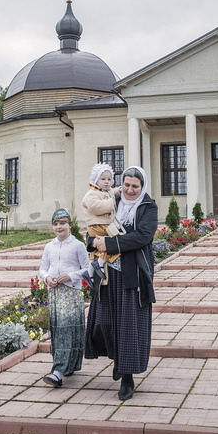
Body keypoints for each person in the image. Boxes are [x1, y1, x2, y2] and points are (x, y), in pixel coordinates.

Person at [85, 166, 157, 401]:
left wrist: (112, 245)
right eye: (126, 185)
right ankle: (117, 359)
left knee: (128, 326)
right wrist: (93, 241)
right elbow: (93, 225)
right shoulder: (112, 201)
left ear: (142, 186)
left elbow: (143, 236)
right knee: (105, 321)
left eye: (135, 186)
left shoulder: (148, 207)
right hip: (107, 273)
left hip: (131, 275)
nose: (130, 190)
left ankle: (127, 377)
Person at [38, 207, 90, 388]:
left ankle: (58, 371)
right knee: (58, 329)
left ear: (70, 224)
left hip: (71, 292)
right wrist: (47, 278)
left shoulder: (78, 245)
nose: (59, 227)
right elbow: (42, 268)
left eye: (62, 223)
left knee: (69, 329)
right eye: (55, 224)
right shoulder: (49, 246)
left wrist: (71, 276)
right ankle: (65, 367)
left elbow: (87, 268)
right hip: (54, 293)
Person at [81, 162, 121, 286]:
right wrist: (111, 203)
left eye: (109, 179)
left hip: (103, 225)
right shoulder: (91, 194)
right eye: (103, 179)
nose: (106, 182)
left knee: (96, 250)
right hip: (97, 225)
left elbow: (112, 192)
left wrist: (119, 191)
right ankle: (98, 265)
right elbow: (95, 207)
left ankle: (90, 274)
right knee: (110, 242)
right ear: (95, 180)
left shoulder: (107, 191)